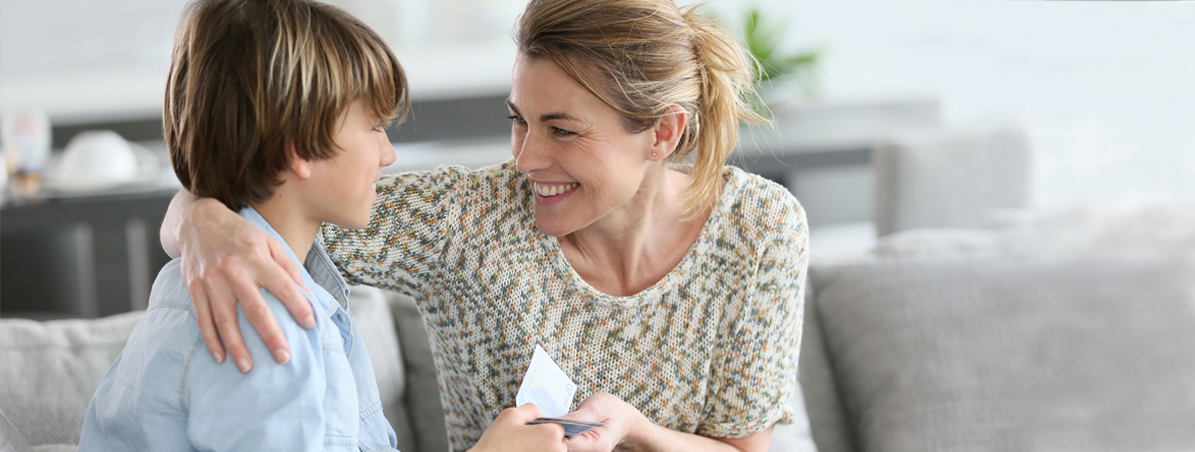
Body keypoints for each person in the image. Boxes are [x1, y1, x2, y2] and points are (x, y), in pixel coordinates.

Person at [162, 0, 809, 450]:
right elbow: (265, 196)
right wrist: (199, 221)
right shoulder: (465, 219)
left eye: (560, 129)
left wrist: (632, 427)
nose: (524, 158)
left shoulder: (759, 229)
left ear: (662, 133)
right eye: (518, 119)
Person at [79, 0, 565, 451]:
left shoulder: (214, 277)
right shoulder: (265, 326)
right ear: (299, 145)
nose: (388, 154)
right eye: (375, 126)